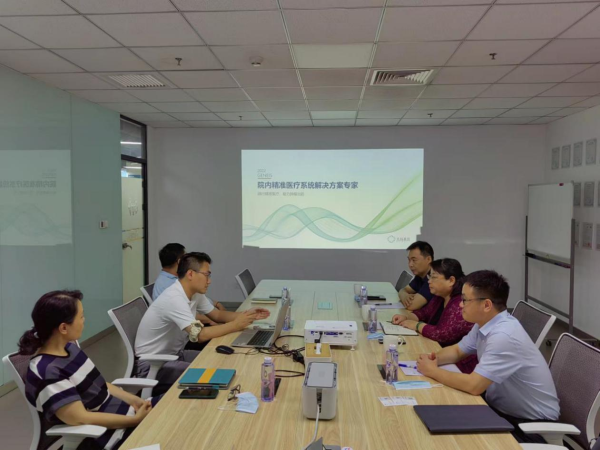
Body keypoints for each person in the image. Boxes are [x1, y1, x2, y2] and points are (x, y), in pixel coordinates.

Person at [416, 270, 560, 443]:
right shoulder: (485, 323)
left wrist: (433, 371)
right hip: (500, 410)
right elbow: (457, 351)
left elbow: (474, 385)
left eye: (465, 300)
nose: (460, 305)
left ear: (486, 305)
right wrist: (433, 359)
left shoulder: (503, 336)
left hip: (530, 426)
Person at [21, 290, 158, 450]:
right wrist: (135, 421)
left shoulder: (70, 348)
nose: (84, 320)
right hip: (109, 436)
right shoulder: (47, 371)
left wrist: (136, 401)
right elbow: (81, 418)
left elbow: (102, 386)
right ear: (63, 328)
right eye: (81, 316)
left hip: (125, 415)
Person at [135, 252, 270, 394]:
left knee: (223, 361)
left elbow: (217, 315)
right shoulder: (174, 298)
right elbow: (199, 335)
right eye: (207, 275)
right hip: (152, 365)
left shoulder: (194, 293)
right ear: (190, 274)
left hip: (174, 355)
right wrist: (236, 325)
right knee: (214, 377)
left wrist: (247, 315)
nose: (209, 281)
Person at [391, 258, 477, 373]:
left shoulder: (459, 303)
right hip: (439, 353)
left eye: (434, 277)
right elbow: (424, 313)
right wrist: (406, 318)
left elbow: (442, 334)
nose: (429, 281)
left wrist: (416, 325)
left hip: (459, 363)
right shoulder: (440, 296)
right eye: (429, 277)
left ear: (451, 280)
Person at [153, 243, 226, 325]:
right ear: (180, 261)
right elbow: (189, 317)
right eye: (186, 258)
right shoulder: (168, 287)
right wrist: (214, 319)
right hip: (193, 324)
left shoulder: (178, 279)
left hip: (204, 315)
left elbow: (198, 297)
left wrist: (216, 304)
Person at [398, 241, 434, 311]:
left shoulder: (433, 279)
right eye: (409, 260)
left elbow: (411, 305)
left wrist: (403, 296)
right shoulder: (420, 276)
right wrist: (404, 295)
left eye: (414, 260)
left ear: (428, 259)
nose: (410, 264)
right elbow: (403, 290)